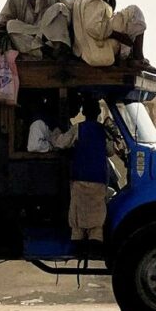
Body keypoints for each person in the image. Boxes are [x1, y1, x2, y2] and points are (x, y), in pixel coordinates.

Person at [52, 96, 114, 252]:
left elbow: (61, 143)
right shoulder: (103, 131)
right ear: (98, 112)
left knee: (78, 212)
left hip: (80, 178)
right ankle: (95, 243)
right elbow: (110, 151)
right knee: (97, 213)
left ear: (83, 112)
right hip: (99, 179)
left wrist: (55, 132)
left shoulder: (78, 128)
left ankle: (78, 245)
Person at [71, 0, 156, 73]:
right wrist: (117, 35)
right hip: (93, 51)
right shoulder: (94, 0)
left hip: (86, 48)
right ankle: (138, 58)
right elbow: (94, 28)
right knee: (134, 12)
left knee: (127, 26)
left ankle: (134, 58)